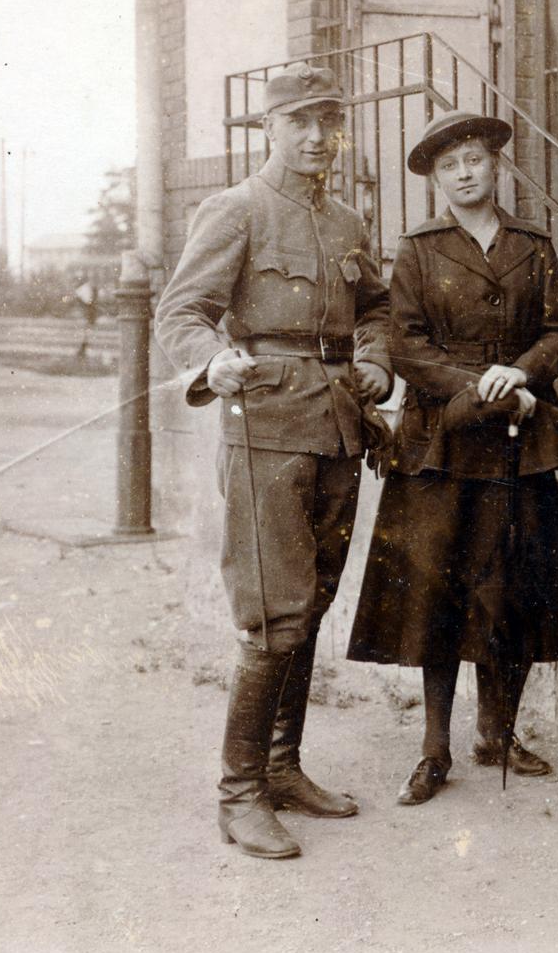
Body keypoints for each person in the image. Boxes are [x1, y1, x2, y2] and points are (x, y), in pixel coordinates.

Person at [155, 63, 392, 860]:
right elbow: (181, 311)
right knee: (272, 613)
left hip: (339, 429)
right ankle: (239, 793)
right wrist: (210, 359)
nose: (319, 137)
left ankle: (283, 767)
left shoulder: (348, 220)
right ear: (270, 127)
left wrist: (376, 361)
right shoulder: (237, 209)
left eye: (330, 121)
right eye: (301, 121)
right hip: (267, 432)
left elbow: (377, 309)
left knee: (312, 603)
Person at [348, 111, 558, 806]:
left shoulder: (533, 243)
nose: (464, 173)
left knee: (514, 585)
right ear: (436, 180)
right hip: (443, 440)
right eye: (449, 166)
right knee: (439, 595)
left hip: (520, 433)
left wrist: (522, 372)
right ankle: (434, 748)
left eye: (475, 159)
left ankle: (497, 733)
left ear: (495, 166)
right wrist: (483, 385)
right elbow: (407, 345)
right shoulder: (418, 250)